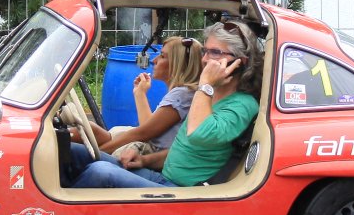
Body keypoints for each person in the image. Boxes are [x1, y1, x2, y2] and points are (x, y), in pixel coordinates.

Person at [72, 20, 262, 189]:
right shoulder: (210, 95)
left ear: (240, 62)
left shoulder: (242, 104)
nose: (204, 59)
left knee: (101, 172)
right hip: (163, 177)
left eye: (215, 52)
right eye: (205, 51)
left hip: (184, 192)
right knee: (74, 151)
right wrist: (144, 160)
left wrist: (205, 85)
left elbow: (199, 134)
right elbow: (183, 149)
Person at [68, 36, 202, 172]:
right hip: (149, 144)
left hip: (150, 153)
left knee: (80, 148)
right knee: (91, 129)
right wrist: (140, 93)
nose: (154, 60)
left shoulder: (182, 95)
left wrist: (96, 154)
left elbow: (143, 133)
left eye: (162, 56)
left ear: (177, 63)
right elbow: (148, 128)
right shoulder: (183, 93)